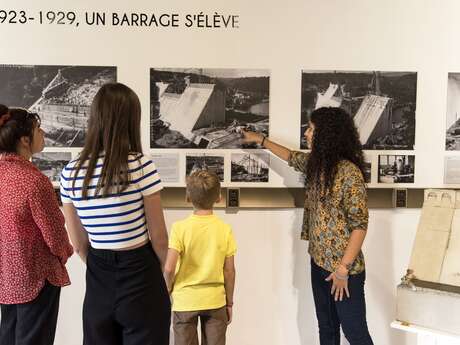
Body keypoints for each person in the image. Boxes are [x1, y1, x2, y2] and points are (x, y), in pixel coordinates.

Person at [243, 107, 373, 345]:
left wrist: (343, 269)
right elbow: (291, 156)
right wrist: (260, 139)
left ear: (327, 135)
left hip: (344, 272)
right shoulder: (317, 164)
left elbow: (360, 225)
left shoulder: (349, 173)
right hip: (320, 264)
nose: (306, 134)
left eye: (311, 129)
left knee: (355, 334)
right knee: (327, 329)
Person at [60, 83, 171, 345]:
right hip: (141, 273)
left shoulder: (71, 172)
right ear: (131, 119)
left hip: (98, 275)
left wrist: (104, 268)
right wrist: (168, 275)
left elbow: (78, 244)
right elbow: (159, 237)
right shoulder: (140, 165)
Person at [0, 105, 73, 345]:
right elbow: (54, 234)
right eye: (38, 130)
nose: (42, 133)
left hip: (6, 276)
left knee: (9, 337)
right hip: (36, 276)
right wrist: (65, 254)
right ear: (24, 140)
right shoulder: (35, 181)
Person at [163, 170, 237, 345]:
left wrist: (168, 291)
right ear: (218, 197)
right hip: (215, 301)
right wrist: (229, 303)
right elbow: (229, 271)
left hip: (185, 301)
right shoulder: (224, 229)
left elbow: (168, 268)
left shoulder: (179, 228)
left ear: (188, 197)